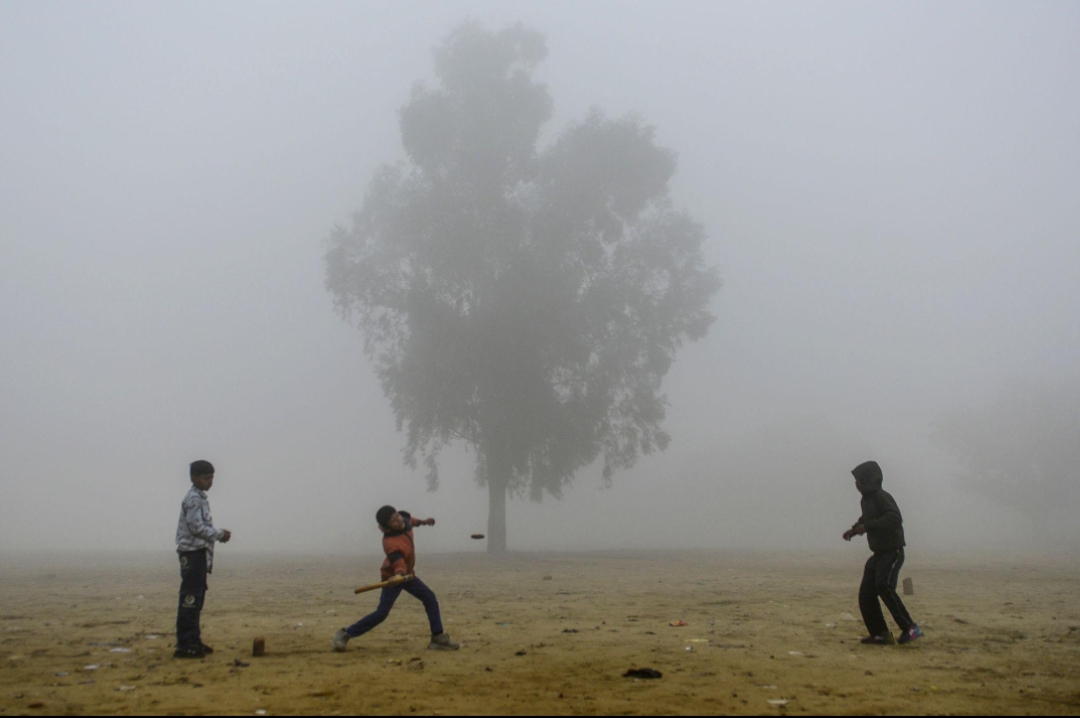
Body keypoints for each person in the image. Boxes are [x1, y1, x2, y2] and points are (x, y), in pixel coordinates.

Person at [333, 505, 459, 652]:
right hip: (392, 577)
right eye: (393, 520)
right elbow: (398, 562)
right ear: (387, 527)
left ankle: (438, 638)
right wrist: (398, 575)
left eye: (396, 515)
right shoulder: (390, 542)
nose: (398, 520)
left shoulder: (405, 520)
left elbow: (412, 520)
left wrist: (424, 521)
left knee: (429, 597)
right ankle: (345, 634)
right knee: (381, 614)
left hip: (408, 575)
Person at [843, 460, 923, 645]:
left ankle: (911, 628)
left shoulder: (882, 496)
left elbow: (895, 518)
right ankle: (881, 633)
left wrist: (867, 527)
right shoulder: (866, 499)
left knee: (884, 586)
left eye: (858, 480)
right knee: (866, 594)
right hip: (878, 554)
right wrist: (854, 530)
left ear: (868, 479)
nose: (856, 483)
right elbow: (867, 518)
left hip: (892, 552)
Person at [174, 460, 231, 659]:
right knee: (190, 598)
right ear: (194, 478)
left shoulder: (201, 498)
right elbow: (195, 527)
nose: (210, 481)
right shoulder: (193, 499)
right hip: (191, 553)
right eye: (206, 478)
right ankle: (184, 644)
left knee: (197, 598)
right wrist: (219, 534)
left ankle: (194, 640)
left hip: (200, 553)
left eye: (212, 477)